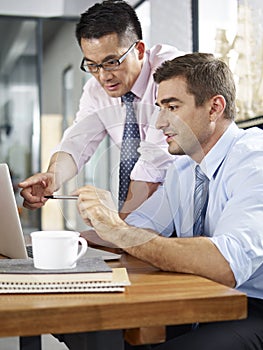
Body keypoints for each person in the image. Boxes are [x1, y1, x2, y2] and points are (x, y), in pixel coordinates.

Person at [74, 53, 263, 350]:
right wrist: (93, 225)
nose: (160, 123)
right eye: (160, 107)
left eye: (172, 108)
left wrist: (120, 230)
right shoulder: (183, 169)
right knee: (99, 331)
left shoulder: (255, 161)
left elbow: (225, 264)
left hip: (252, 307)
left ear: (214, 107)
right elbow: (137, 230)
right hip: (201, 298)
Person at [18, 0, 182, 219]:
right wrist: (52, 177)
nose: (103, 76)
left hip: (186, 205)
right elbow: (77, 142)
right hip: (145, 216)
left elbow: (154, 163)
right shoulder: (96, 90)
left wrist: (120, 228)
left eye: (112, 62)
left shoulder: (171, 73)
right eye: (92, 65)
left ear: (140, 50)